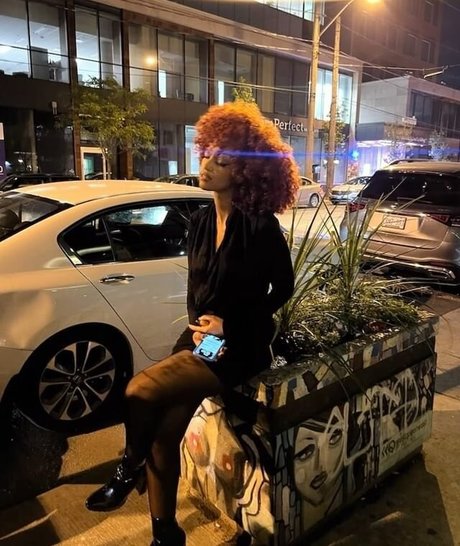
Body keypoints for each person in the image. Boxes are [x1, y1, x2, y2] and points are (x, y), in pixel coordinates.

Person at [85, 101, 300, 546]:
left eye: (222, 161)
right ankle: (165, 534)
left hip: (242, 345)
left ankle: (127, 470)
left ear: (245, 172)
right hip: (203, 339)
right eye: (207, 155)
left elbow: (283, 288)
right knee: (164, 434)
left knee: (139, 390)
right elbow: (195, 288)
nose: (207, 165)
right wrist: (199, 327)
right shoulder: (200, 221)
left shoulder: (260, 227)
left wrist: (228, 327)